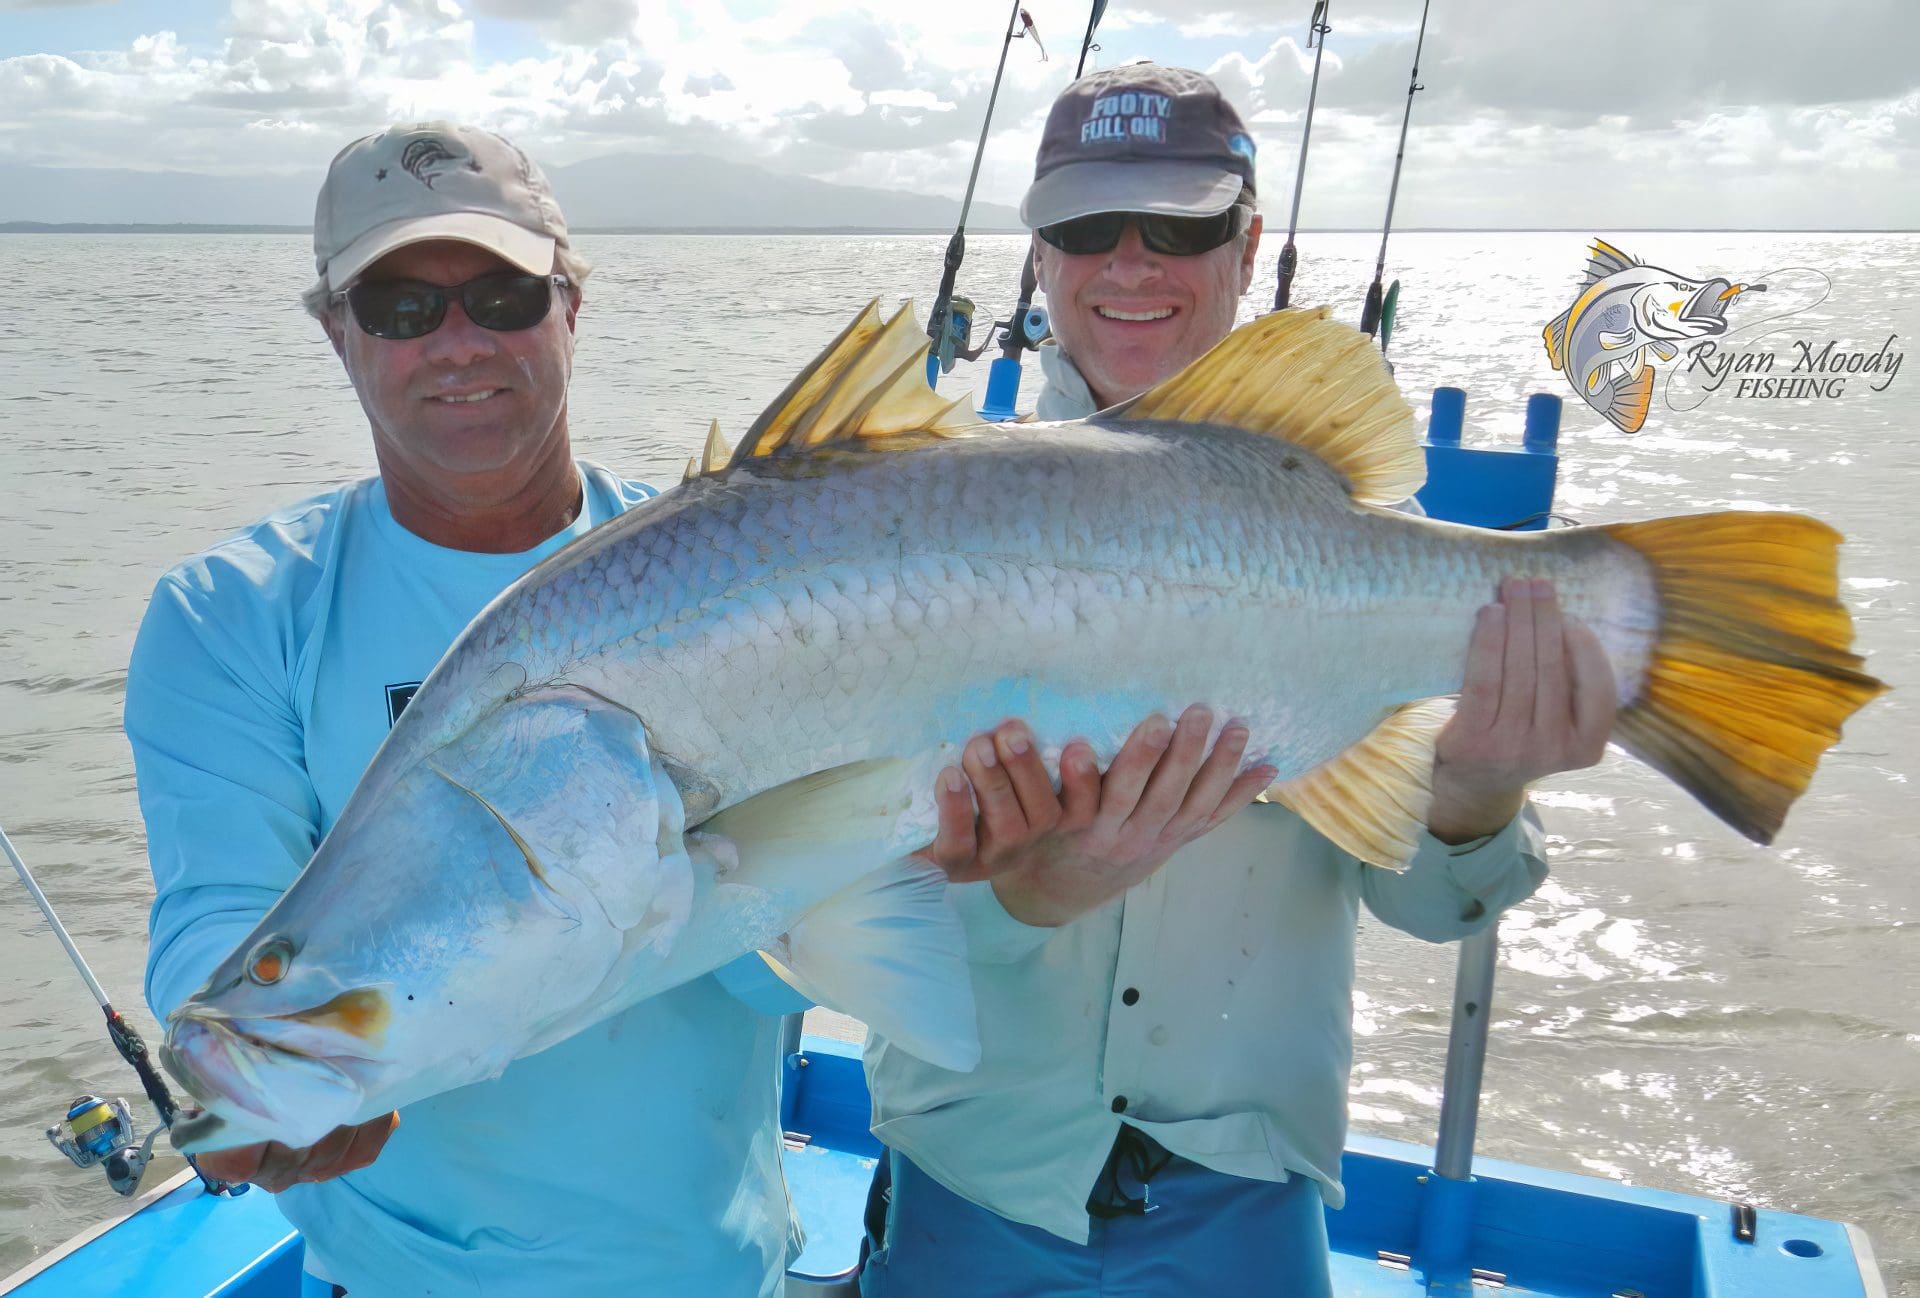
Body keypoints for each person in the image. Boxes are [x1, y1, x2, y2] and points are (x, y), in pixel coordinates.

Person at [860, 65, 1618, 1296]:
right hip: (976, 1170)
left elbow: (1430, 906)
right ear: (1039, 254)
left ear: (1248, 241)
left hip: (1242, 1198)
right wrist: (1019, 889)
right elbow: (849, 892)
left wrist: (1476, 792)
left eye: (1184, 227)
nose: (1132, 263)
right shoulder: (909, 514)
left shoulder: (1363, 537)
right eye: (1088, 228)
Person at [128, 122, 800, 1297]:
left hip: (711, 1268)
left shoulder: (740, 573)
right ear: (335, 332)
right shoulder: (233, 613)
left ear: (571, 307)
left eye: (501, 295)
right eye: (397, 308)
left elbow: (778, 958)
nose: (457, 344)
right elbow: (215, 911)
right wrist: (258, 1076)